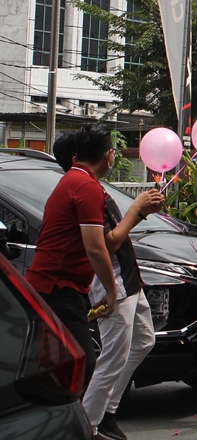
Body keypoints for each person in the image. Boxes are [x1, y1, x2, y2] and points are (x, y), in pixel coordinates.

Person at [52, 132, 164, 440]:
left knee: (143, 341)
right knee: (112, 356)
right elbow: (104, 245)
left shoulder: (91, 186)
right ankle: (87, 425)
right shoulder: (83, 188)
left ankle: (106, 411)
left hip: (127, 277)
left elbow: (114, 235)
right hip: (109, 279)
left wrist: (140, 212)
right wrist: (137, 209)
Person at [25, 125, 122, 385]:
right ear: (108, 155)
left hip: (57, 286)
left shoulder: (74, 180)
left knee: (61, 362)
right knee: (80, 362)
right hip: (58, 287)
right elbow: (95, 247)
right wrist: (111, 291)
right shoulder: (86, 186)